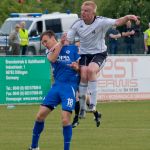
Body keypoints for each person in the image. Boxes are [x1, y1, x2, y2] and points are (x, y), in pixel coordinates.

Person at [67, 1, 139, 122]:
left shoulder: (101, 21)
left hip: (99, 54)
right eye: (82, 10)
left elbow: (117, 22)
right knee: (83, 72)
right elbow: (68, 40)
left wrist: (127, 17)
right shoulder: (77, 24)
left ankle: (93, 104)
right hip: (84, 54)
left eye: (86, 11)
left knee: (90, 70)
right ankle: (83, 107)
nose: (83, 13)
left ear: (93, 13)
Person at [28, 30, 80, 150]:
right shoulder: (50, 51)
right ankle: (34, 147)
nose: (45, 44)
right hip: (57, 86)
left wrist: (76, 67)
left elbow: (80, 68)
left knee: (65, 119)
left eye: (46, 41)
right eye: (43, 43)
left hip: (69, 87)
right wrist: (60, 43)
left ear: (52, 38)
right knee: (40, 116)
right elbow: (52, 59)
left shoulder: (73, 49)